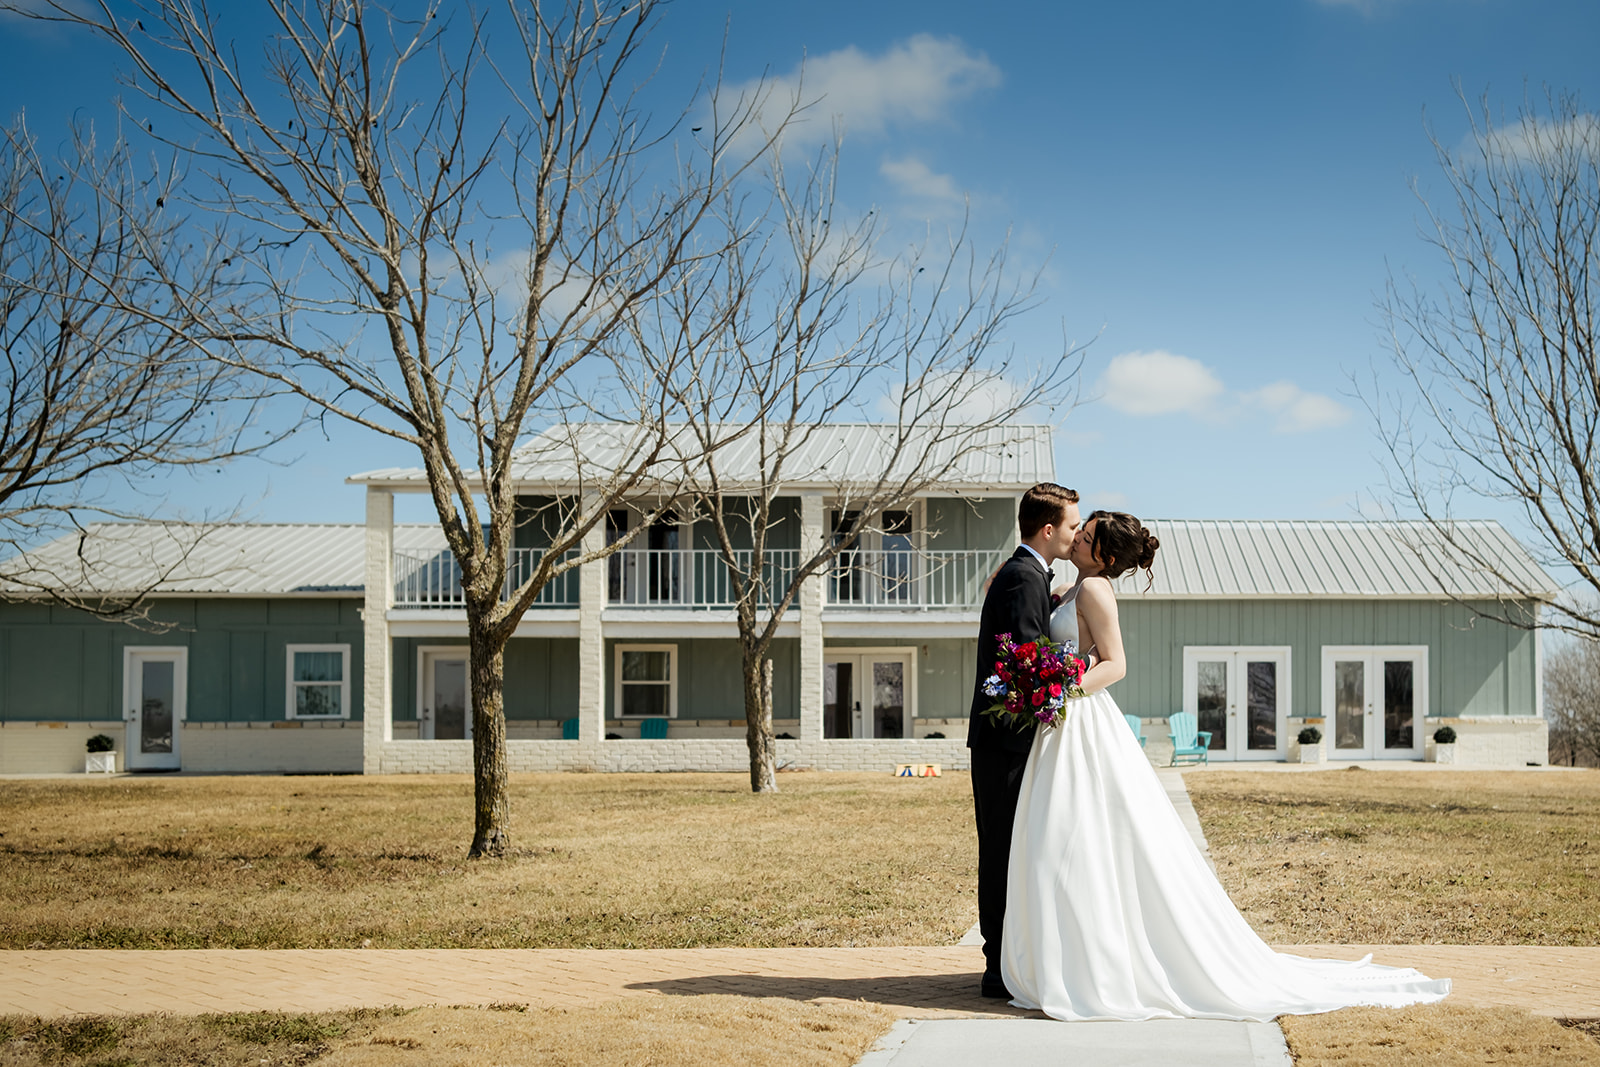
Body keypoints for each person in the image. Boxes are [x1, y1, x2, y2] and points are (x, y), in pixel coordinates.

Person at [999, 510, 1450, 1020]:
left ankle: (1093, 966)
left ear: (1103, 556)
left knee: (1077, 835)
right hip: (1061, 723)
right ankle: (1071, 957)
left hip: (1081, 718)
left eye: (1087, 534)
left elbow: (1116, 663)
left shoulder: (1097, 590)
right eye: (1080, 530)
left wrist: (1061, 690)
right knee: (1063, 838)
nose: (1077, 536)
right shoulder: (1074, 589)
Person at [967, 483, 1080, 999]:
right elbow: (1022, 665)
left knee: (1013, 848)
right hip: (1006, 742)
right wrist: (1077, 669)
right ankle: (997, 966)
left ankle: (1009, 958)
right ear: (1050, 528)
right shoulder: (1021, 578)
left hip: (1012, 741)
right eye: (1072, 525)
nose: (1076, 533)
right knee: (1002, 850)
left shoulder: (1029, 577)